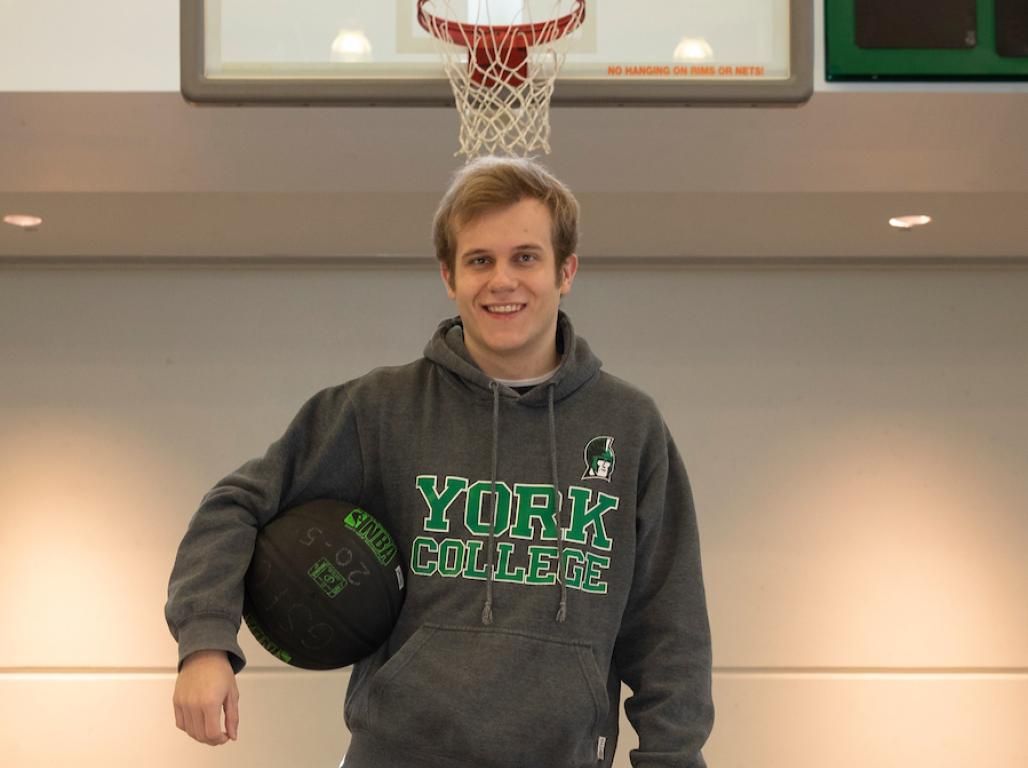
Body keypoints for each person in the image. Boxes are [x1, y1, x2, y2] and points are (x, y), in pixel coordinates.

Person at [166, 156, 714, 767]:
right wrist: (206, 644)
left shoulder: (629, 425)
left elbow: (671, 628)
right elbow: (235, 505)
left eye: (525, 257)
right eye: (480, 260)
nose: (502, 280)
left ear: (567, 271)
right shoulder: (380, 410)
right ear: (450, 278)